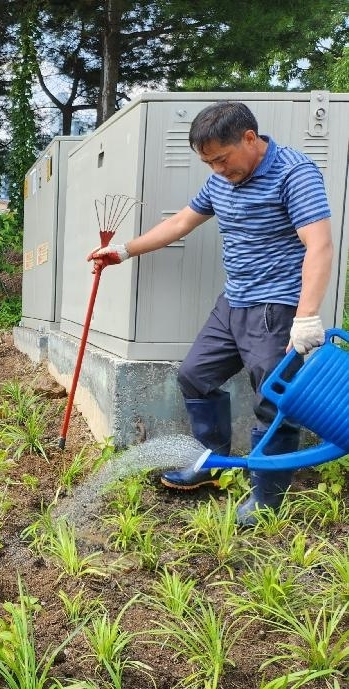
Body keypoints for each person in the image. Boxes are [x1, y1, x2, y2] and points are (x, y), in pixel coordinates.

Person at [88, 101, 333, 526]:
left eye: (222, 158)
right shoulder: (220, 180)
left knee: (273, 401)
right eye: (209, 162)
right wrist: (124, 251)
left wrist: (306, 317)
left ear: (250, 139)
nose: (218, 169)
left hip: (275, 307)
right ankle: (213, 462)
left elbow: (319, 245)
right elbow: (182, 222)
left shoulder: (296, 173)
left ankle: (266, 496)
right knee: (194, 376)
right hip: (233, 301)